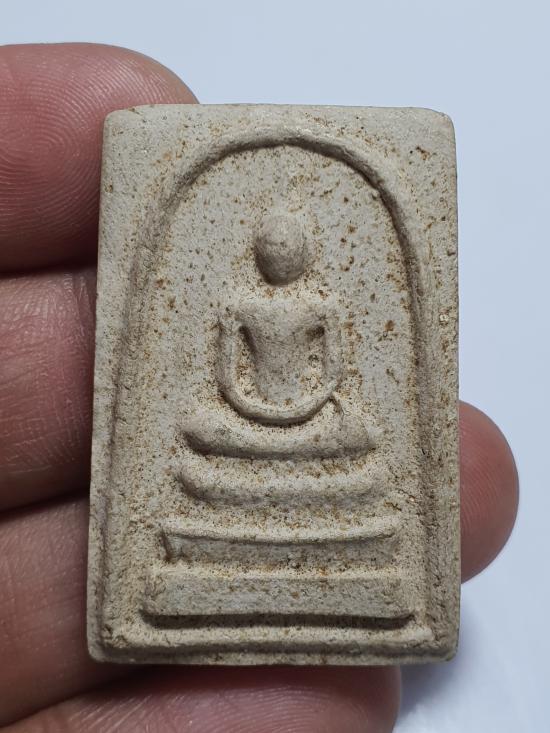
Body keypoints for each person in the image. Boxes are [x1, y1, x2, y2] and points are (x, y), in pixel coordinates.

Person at [0, 43, 519, 732]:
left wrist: (305, 407)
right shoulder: (239, 306)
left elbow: (332, 374)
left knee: (357, 438)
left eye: (288, 247)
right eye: (270, 248)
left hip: (312, 419)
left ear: (302, 253)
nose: (279, 256)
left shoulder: (323, 306)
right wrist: (249, 407)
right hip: (242, 419)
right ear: (260, 253)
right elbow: (225, 374)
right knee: (200, 433)